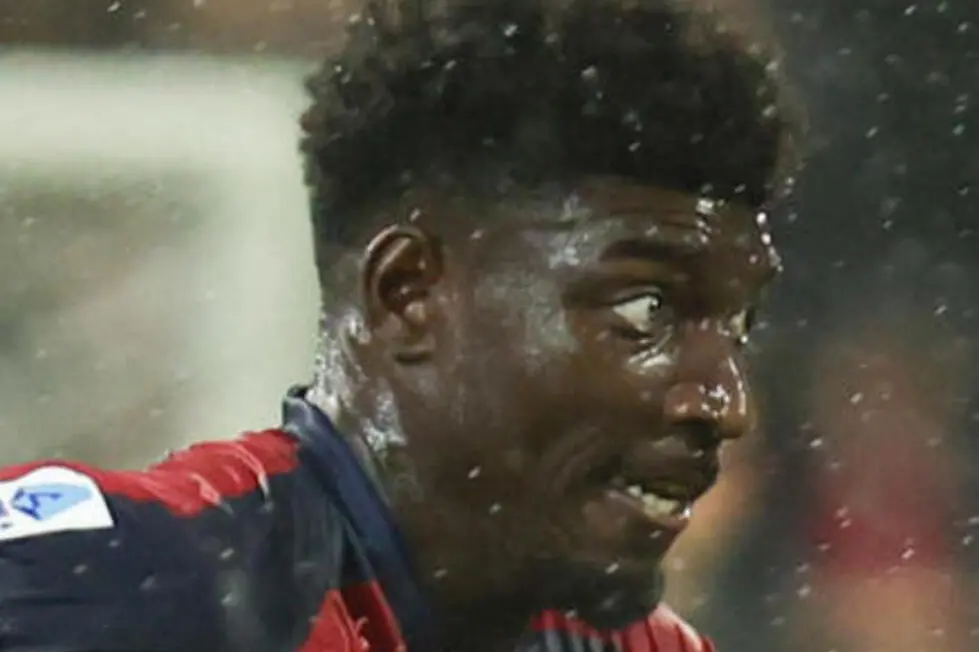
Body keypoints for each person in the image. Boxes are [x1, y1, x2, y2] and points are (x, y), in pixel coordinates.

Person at [0, 0, 800, 650]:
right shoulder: (121, 586)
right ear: (407, 295)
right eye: (646, 312)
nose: (724, 405)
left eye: (737, 326)